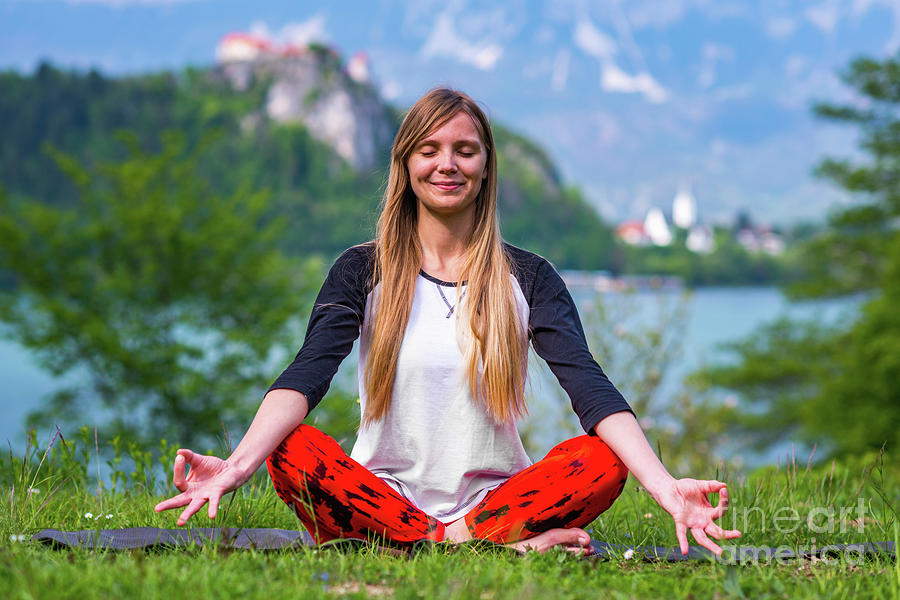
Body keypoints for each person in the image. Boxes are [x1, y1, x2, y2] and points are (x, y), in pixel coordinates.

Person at [155, 88, 742, 555]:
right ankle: (474, 546)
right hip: (378, 496)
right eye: (430, 150)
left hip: (497, 501)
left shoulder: (529, 277)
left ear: (486, 166)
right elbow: (306, 375)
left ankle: (435, 542)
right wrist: (235, 467)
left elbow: (589, 388)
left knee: (602, 459)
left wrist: (665, 488)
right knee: (292, 450)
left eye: (465, 150)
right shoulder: (361, 270)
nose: (447, 165)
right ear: (406, 164)